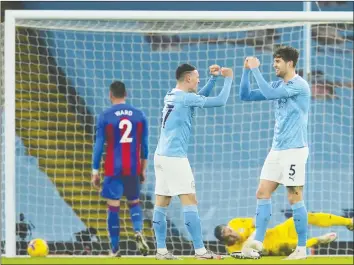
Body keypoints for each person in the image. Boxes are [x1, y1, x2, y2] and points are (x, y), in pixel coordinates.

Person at [153, 64, 233, 260]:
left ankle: (161, 251)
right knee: (190, 201)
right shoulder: (186, 98)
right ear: (188, 78)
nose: (199, 80)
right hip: (175, 157)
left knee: (161, 203)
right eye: (197, 77)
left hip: (161, 156)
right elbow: (220, 101)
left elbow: (198, 98)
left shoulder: (172, 95)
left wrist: (213, 79)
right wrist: (228, 78)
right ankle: (200, 251)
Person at [239, 46, 311, 260]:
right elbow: (245, 95)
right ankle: (258, 244)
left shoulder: (299, 85)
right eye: (274, 61)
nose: (274, 65)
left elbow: (270, 94)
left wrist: (255, 70)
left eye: (278, 61)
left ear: (289, 63)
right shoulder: (277, 84)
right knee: (262, 192)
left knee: (294, 196)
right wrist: (245, 71)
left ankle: (301, 248)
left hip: (294, 151)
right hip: (277, 150)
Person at [91, 81, 149, 257]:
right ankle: (138, 231)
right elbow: (144, 147)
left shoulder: (105, 115)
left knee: (113, 207)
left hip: (113, 167)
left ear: (110, 95)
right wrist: (143, 170)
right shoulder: (139, 115)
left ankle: (115, 248)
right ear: (126, 93)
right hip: (133, 166)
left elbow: (99, 145)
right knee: (134, 202)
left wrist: (95, 171)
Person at [214, 212, 353, 258]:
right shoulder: (233, 251)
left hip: (277, 232)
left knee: (302, 216)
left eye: (230, 230)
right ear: (225, 242)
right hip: (273, 247)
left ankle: (348, 222)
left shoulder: (235, 223)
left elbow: (257, 221)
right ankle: (317, 241)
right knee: (290, 246)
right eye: (229, 237)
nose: (234, 234)